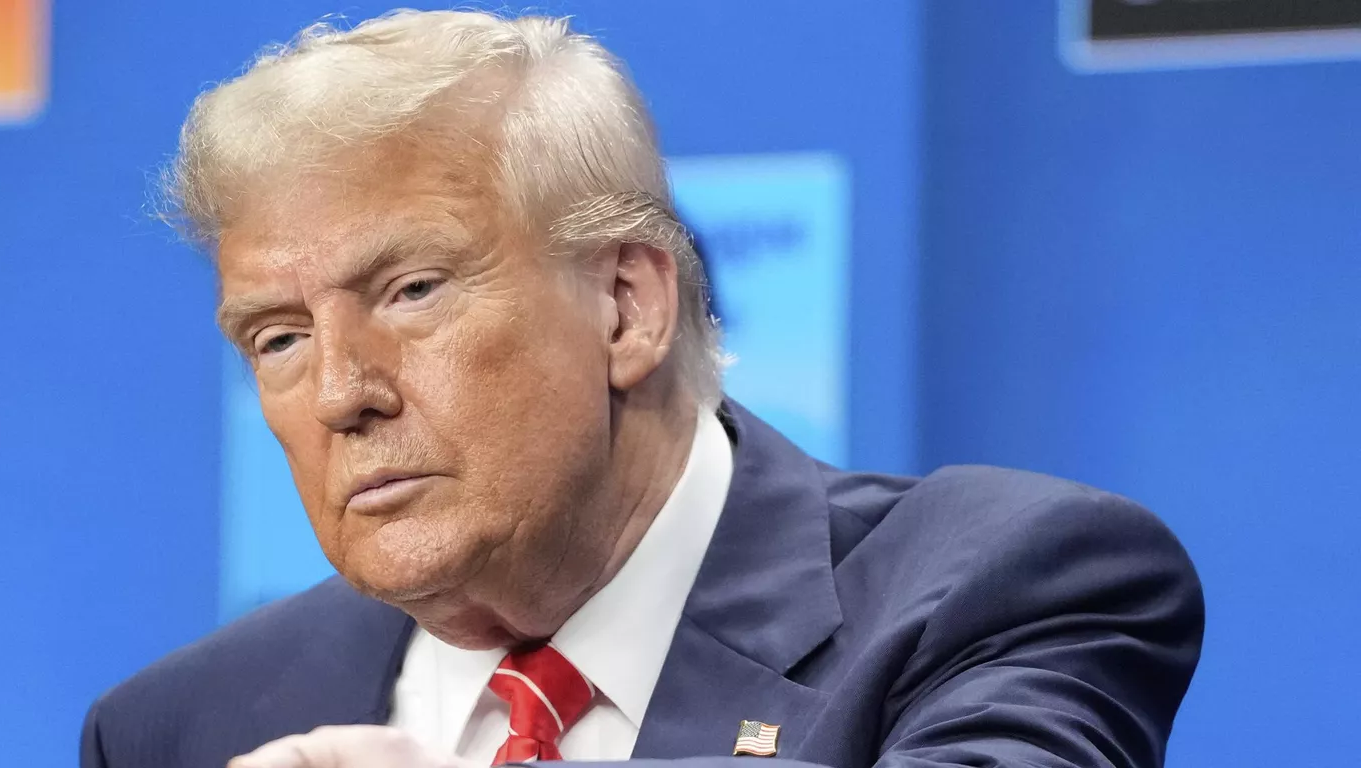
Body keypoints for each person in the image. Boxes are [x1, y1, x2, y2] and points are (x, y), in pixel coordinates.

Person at [83, 10, 1203, 768]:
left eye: (413, 289)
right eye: (277, 339)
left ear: (626, 306)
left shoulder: (1000, 593)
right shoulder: (183, 729)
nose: (339, 393)